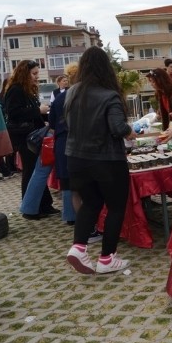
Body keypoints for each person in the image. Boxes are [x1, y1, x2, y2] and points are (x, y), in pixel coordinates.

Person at [65, 46, 137, 275]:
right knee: (116, 207)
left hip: (75, 157)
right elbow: (117, 128)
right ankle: (107, 258)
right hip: (106, 160)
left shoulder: (72, 92)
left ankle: (79, 247)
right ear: (106, 68)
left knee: (91, 203)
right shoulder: (109, 95)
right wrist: (130, 131)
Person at [3, 60, 56, 218]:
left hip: (31, 134)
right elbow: (13, 113)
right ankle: (30, 209)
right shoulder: (15, 90)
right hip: (24, 136)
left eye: (37, 73)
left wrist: (43, 115)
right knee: (31, 171)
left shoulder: (26, 89)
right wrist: (37, 110)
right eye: (34, 74)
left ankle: (44, 205)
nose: (36, 77)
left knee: (37, 170)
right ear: (24, 74)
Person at [48, 63, 78, 226]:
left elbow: (51, 123)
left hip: (61, 141)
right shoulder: (80, 96)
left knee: (66, 181)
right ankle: (82, 217)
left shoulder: (58, 98)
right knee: (79, 180)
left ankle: (69, 215)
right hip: (77, 141)